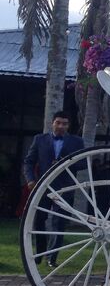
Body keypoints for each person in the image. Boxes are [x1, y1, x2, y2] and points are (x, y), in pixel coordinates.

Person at [23, 111, 86, 268]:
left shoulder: (77, 142)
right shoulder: (40, 139)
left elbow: (84, 164)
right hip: (43, 187)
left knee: (59, 223)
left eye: (64, 123)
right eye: (58, 122)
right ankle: (40, 253)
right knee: (39, 221)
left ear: (68, 125)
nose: (61, 126)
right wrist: (30, 179)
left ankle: (52, 257)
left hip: (65, 188)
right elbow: (29, 162)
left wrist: (66, 162)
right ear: (52, 123)